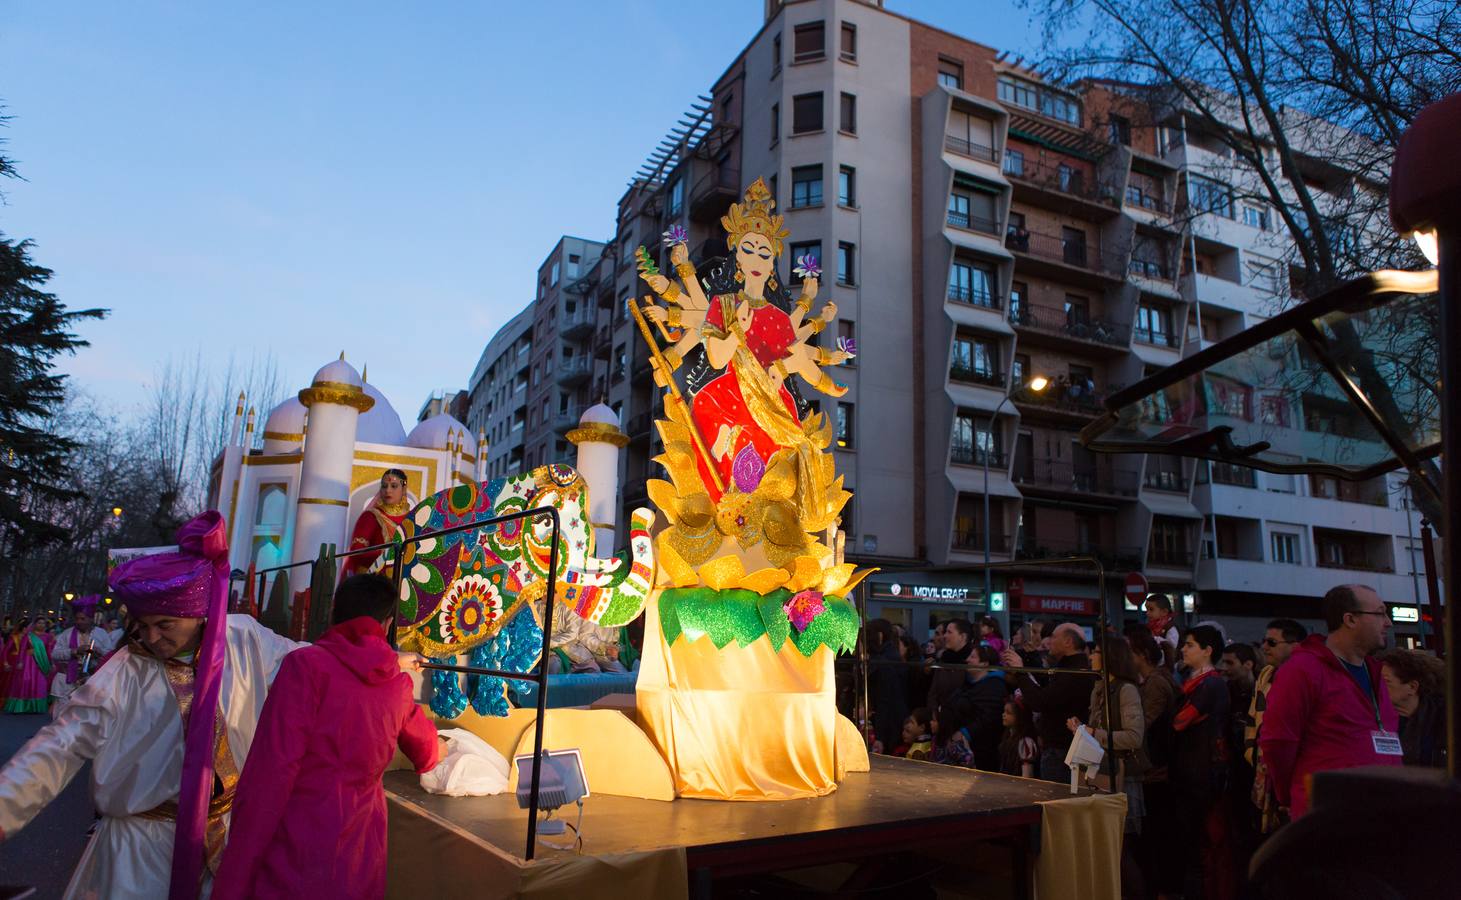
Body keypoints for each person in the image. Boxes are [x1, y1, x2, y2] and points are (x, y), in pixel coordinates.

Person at [0, 512, 307, 900]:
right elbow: (59, 745)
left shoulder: (246, 641)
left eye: (165, 624)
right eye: (142, 625)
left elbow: (313, 667)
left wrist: (385, 660)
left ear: (199, 614)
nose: (152, 637)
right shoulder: (123, 673)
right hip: (138, 851)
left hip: (226, 839)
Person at [213, 574, 443, 900]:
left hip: (297, 843)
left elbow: (271, 773)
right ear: (387, 622)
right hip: (359, 850)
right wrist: (444, 747)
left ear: (335, 611)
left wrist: (235, 874)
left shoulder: (305, 668)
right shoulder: (398, 686)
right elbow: (428, 754)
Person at [1258, 585, 1401, 819]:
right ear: (1350, 619)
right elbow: (1278, 742)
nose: (1388, 622)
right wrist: (1291, 795)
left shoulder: (1375, 672)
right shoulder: (1302, 670)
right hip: (1331, 817)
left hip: (1382, 812)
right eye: (1380, 613)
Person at [1069, 635, 1147, 895]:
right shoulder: (1099, 687)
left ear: (1110, 657)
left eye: (1096, 652)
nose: (1091, 656)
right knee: (1106, 845)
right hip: (1101, 772)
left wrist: (1093, 732)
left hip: (1121, 774)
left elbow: (1134, 736)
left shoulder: (1125, 689)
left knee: (1121, 846)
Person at [1171, 625, 1233, 900]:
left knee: (1199, 844)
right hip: (1192, 771)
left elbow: (1179, 722)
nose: (1184, 648)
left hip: (1203, 775)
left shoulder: (1211, 684)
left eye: (1191, 645)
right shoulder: (1193, 681)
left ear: (1208, 651)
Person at [1001, 623, 1091, 782]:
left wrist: (1020, 671)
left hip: (1062, 750)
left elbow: (1041, 701)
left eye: (1054, 637)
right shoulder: (1069, 667)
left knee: (1057, 800)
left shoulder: (1074, 672)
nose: (1048, 641)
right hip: (1062, 748)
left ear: (1068, 642)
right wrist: (1031, 659)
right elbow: (1049, 688)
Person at [1245, 618, 1306, 834]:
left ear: (1295, 645)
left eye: (1271, 642)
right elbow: (1253, 720)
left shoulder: (1305, 677)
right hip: (1264, 769)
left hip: (1292, 774)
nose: (1264, 647)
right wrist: (1252, 753)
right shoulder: (1265, 675)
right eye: (1264, 641)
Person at [938, 646, 1008, 771]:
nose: (967, 660)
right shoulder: (968, 684)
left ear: (985, 663)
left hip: (980, 752)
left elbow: (989, 718)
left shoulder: (994, 686)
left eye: (973, 657)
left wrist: (965, 732)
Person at [1378, 648, 1446, 768]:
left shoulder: (1444, 718)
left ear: (1412, 687)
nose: (1378, 687)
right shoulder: (1373, 717)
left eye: (1386, 682)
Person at [340, 469, 414, 580]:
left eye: (394, 486)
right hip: (375, 581)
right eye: (384, 486)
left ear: (403, 489)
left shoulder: (412, 518)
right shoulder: (370, 516)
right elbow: (357, 552)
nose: (388, 490)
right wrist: (387, 554)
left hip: (405, 580)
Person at [50, 596, 112, 711]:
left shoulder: (101, 634)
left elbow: (110, 655)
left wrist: (98, 652)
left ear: (91, 619)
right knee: (61, 716)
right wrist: (74, 651)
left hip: (92, 681)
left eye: (83, 619)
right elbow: (55, 654)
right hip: (67, 681)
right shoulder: (67, 634)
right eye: (77, 619)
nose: (79, 622)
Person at [864, 619, 908, 754]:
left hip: (888, 725)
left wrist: (880, 737)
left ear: (880, 636)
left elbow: (885, 700)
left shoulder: (883, 663)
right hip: (892, 721)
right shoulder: (890, 656)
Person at [3, 615, 54, 714]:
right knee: (26, 682)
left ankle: (35, 707)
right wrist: (20, 661)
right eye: (39, 623)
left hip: (41, 663)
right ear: (35, 624)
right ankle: (22, 707)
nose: (41, 625)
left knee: (39, 683)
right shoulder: (29, 636)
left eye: (43, 623)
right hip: (28, 662)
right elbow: (22, 649)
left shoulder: (47, 637)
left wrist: (51, 663)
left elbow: (48, 651)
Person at [927, 619, 974, 713]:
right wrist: (934, 713)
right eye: (945, 632)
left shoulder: (973, 660)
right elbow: (933, 692)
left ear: (963, 636)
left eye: (949, 632)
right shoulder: (944, 658)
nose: (945, 636)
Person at [999, 697, 1039, 778]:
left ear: (1020, 716)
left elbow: (1027, 774)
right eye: (1004, 711)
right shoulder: (1008, 736)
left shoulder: (1026, 742)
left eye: (1008, 713)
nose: (1003, 714)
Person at [1144, 594, 1180, 661]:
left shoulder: (1170, 628)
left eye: (1151, 609)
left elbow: (1170, 650)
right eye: (1146, 609)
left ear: (1164, 612)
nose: (1147, 613)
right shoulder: (1149, 627)